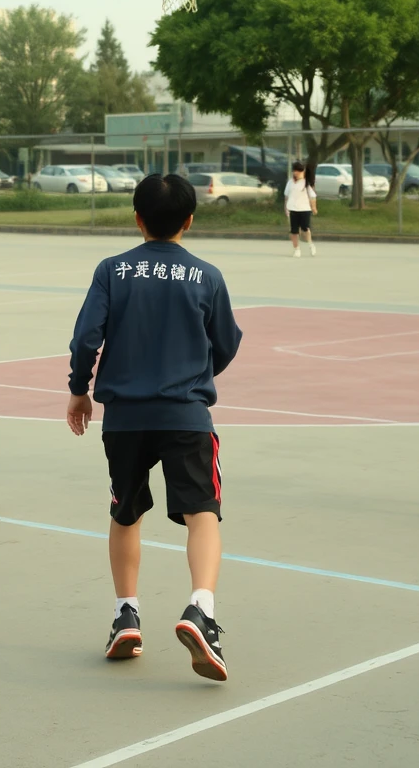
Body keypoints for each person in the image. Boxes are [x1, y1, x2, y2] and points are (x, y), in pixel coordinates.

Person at [66, 174, 242, 681]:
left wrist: (80, 389)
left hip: (124, 419)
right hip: (186, 414)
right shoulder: (206, 276)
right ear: (190, 220)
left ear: (137, 217)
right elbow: (225, 344)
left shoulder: (113, 270)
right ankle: (201, 610)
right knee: (202, 512)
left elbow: (85, 339)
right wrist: (194, 374)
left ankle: (127, 614)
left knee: (125, 513)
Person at [284, 161, 318, 257]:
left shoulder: (306, 183)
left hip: (304, 209)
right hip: (292, 209)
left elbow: (312, 197)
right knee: (294, 231)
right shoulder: (290, 182)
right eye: (295, 171)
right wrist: (285, 208)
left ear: (303, 171)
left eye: (299, 171)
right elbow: (286, 196)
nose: (296, 173)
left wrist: (314, 208)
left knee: (305, 229)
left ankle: (311, 244)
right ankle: (297, 249)